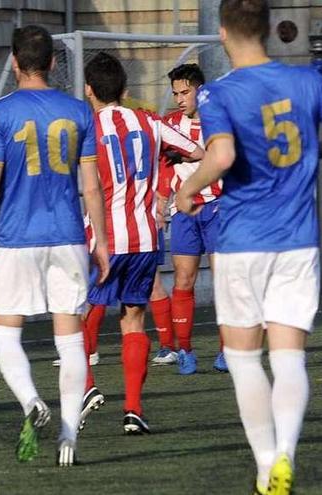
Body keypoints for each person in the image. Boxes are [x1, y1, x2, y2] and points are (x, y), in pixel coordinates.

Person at [175, 0, 322, 493]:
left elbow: (222, 154)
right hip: (297, 243)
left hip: (241, 242)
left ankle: (265, 466)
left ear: (221, 34)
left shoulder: (219, 92)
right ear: (267, 31)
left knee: (242, 359)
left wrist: (186, 189)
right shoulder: (306, 81)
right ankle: (285, 455)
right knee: (288, 358)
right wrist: (312, 147)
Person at [0, 25, 110, 467]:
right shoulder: (77, 111)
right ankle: (69, 434)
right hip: (68, 235)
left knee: (5, 332)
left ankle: (32, 401)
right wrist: (101, 242)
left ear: (14, 62)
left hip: (17, 237)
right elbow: (92, 187)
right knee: (70, 341)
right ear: (53, 62)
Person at [77, 52, 203, 435]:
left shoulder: (87, 126)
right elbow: (197, 152)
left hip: (105, 237)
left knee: (78, 316)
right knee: (133, 319)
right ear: (125, 89)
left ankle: (86, 387)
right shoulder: (149, 121)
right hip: (146, 237)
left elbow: (81, 183)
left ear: (88, 91)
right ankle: (133, 409)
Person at [153, 63, 228, 374]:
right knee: (183, 280)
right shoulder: (169, 124)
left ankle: (228, 350)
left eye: (185, 92)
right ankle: (184, 350)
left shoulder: (218, 121)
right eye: (175, 93)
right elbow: (165, 167)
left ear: (200, 89)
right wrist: (160, 202)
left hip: (218, 208)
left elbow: (223, 158)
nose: (180, 99)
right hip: (184, 213)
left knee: (225, 282)